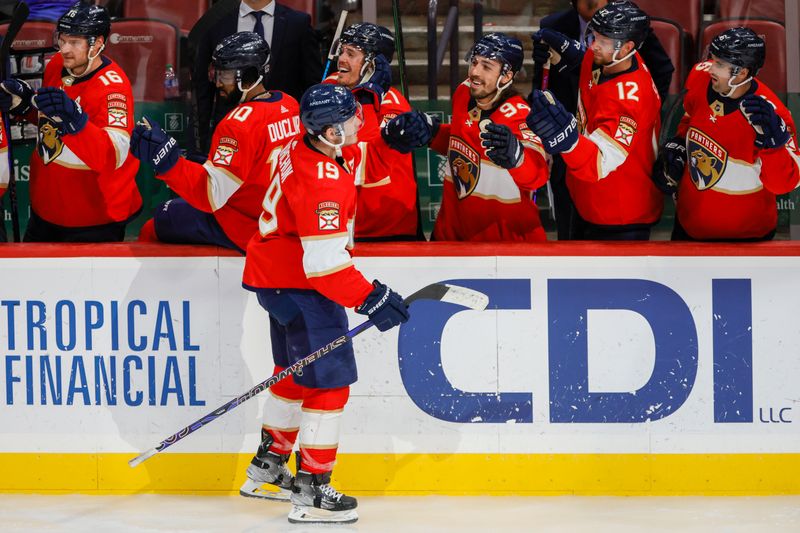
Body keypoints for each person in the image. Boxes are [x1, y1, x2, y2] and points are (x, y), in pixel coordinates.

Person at [239, 84, 409, 524]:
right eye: (352, 117)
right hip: (301, 286)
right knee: (328, 384)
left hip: (274, 279)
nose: (360, 122)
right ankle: (312, 490)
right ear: (331, 132)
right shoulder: (322, 182)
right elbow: (325, 267)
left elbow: (358, 150)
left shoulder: (301, 144)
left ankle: (267, 468)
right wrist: (372, 297)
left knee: (294, 376)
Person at [129, 32, 300, 253]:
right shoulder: (290, 104)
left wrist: (168, 160)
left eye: (226, 76)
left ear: (248, 76)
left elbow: (211, 196)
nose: (218, 83)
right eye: (216, 74)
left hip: (244, 225)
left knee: (156, 223)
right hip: (282, 221)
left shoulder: (237, 124)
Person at [382, 33, 550, 242]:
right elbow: (462, 143)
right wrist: (432, 132)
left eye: (486, 66)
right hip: (451, 232)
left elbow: (539, 174)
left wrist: (518, 158)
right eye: (474, 62)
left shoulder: (519, 114)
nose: (474, 72)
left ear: (506, 76)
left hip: (502, 242)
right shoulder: (464, 92)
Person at [531, 0, 674, 239]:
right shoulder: (610, 60)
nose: (594, 46)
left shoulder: (631, 99)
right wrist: (564, 49)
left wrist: (565, 139)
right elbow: (586, 63)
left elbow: (599, 162)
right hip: (587, 201)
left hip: (621, 214)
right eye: (594, 36)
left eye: (603, 41)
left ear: (627, 47)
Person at [0, 0, 141, 242]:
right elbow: (51, 119)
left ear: (97, 44)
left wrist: (76, 121)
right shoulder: (57, 64)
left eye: (74, 42)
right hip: (46, 212)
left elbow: (113, 156)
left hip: (94, 220)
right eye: (62, 39)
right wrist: (25, 105)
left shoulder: (113, 88)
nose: (64, 48)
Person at [652, 27, 800, 241]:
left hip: (747, 237)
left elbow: (784, 184)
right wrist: (679, 144)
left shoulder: (772, 116)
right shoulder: (700, 76)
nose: (711, 68)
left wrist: (774, 146)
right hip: (690, 226)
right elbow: (689, 118)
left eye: (720, 64)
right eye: (713, 60)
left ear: (742, 72)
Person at [189, 0, 321, 153]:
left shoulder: (299, 24)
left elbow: (312, 86)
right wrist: (196, 152)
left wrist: (315, 144)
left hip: (284, 139)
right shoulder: (215, 22)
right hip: (229, 139)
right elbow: (201, 93)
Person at [329, 22, 419, 241]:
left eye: (351, 54)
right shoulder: (332, 86)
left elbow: (364, 169)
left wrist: (368, 99)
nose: (341, 59)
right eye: (342, 51)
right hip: (345, 225)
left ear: (372, 66)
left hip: (387, 231)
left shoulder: (395, 108)